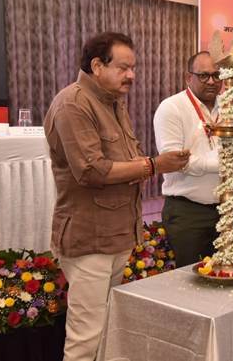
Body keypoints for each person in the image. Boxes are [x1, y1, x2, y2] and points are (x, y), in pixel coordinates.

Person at [44, 32, 189, 361]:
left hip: (116, 235)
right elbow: (91, 171)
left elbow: (126, 157)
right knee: (85, 338)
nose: (132, 75)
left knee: (108, 330)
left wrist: (150, 164)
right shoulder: (73, 103)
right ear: (97, 65)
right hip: (89, 237)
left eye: (133, 67)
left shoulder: (112, 103)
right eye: (124, 67)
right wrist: (154, 165)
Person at [153, 51, 233, 268]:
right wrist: (223, 164)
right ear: (189, 78)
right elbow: (175, 160)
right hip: (188, 213)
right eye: (204, 76)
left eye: (217, 76)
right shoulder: (171, 108)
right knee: (191, 281)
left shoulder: (231, 108)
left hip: (226, 208)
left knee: (228, 271)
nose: (211, 82)